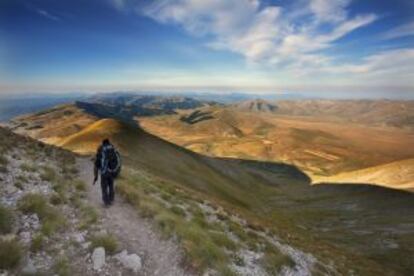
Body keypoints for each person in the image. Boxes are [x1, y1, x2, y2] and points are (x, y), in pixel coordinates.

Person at [93, 139, 121, 206]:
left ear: (103, 143)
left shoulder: (101, 150)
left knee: (104, 187)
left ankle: (106, 202)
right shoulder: (112, 149)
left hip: (104, 172)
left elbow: (97, 164)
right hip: (112, 171)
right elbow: (117, 161)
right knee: (111, 185)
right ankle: (111, 199)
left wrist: (96, 176)